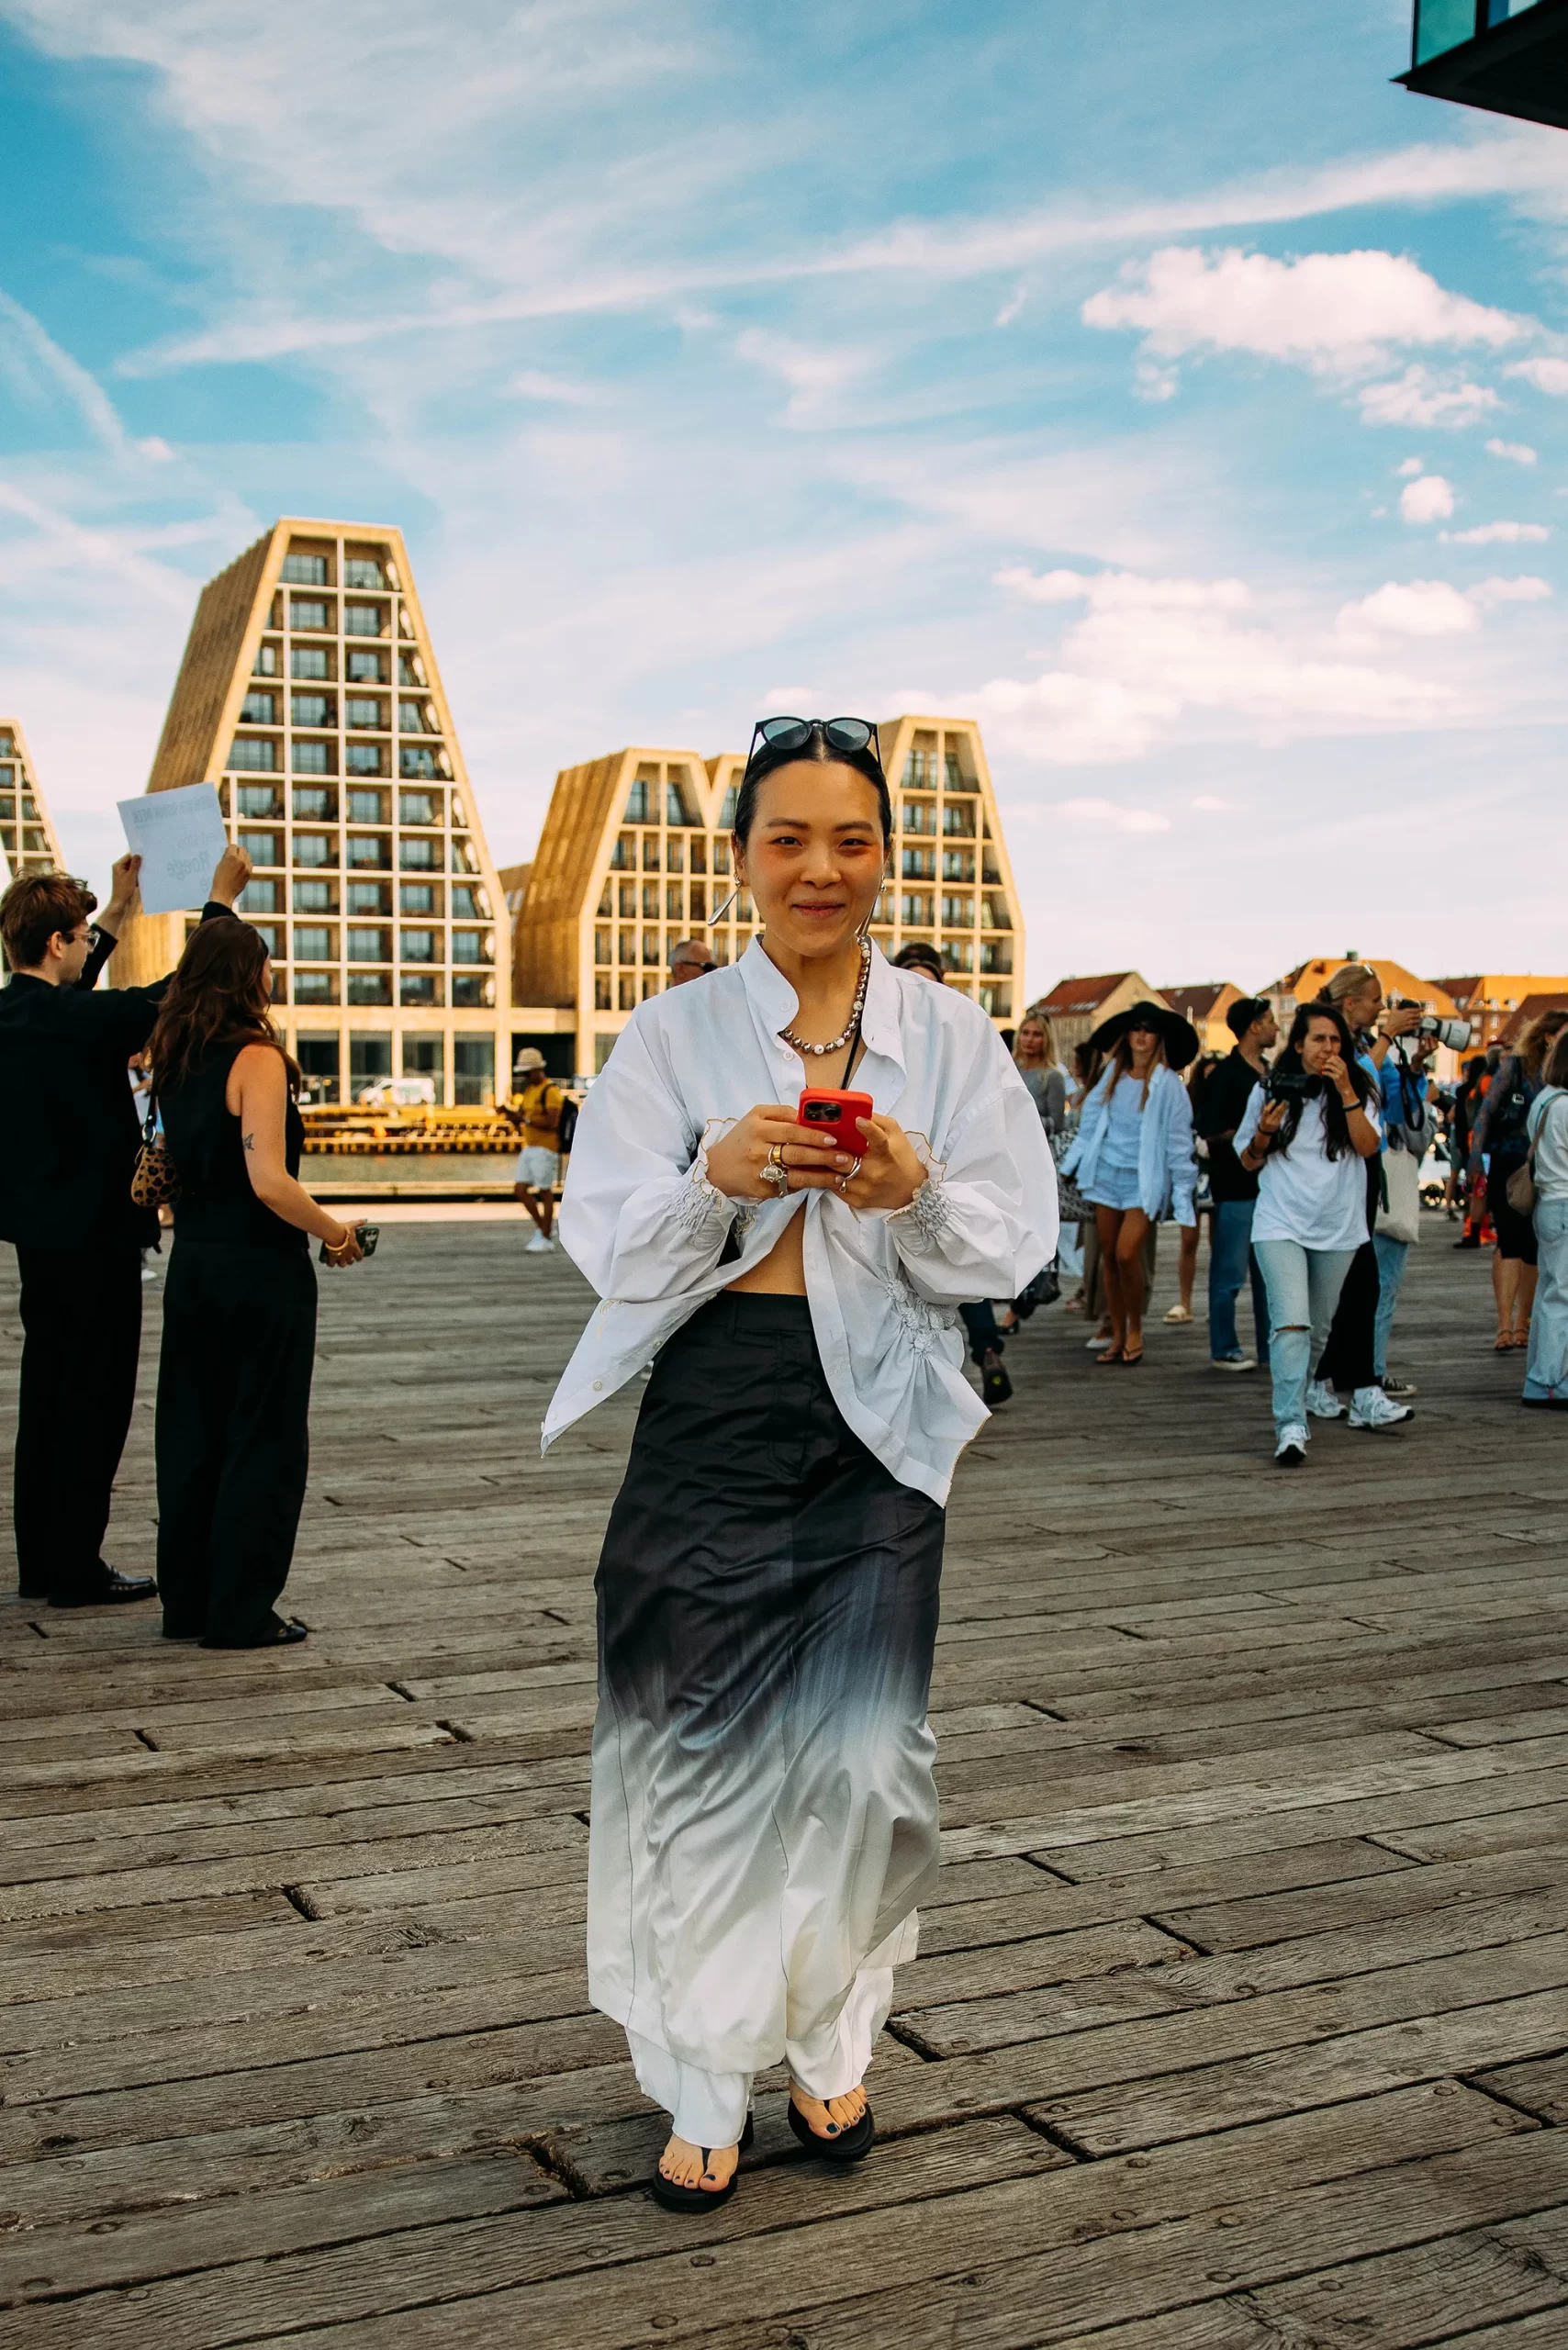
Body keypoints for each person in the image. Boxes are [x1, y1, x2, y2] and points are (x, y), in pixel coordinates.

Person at [546, 713, 1053, 2211]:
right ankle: (701, 2077)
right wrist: (715, 1177)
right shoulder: (675, 1033)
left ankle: (834, 2046)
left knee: (853, 1752)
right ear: (743, 858)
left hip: (876, 1424)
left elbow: (1012, 1242)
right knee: (693, 1747)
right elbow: (602, 1238)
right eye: (787, 837)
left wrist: (910, 1186)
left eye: (848, 838)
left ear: (886, 858)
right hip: (711, 1407)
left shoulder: (949, 1040)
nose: (817, 867)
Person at [0, 845, 249, 1607]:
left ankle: (42, 1562)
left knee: (47, 1396)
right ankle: (75, 1568)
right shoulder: (77, 1022)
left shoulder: (16, 1012)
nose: (85, 951)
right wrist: (217, 902)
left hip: (38, 1240)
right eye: (78, 939)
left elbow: (78, 1000)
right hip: (98, 1240)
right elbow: (180, 993)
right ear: (54, 944)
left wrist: (112, 912)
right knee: (97, 1403)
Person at [148, 915, 365, 1649]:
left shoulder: (173, 1054)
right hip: (258, 1270)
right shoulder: (256, 1059)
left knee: (193, 1431)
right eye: (266, 967)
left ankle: (189, 1603)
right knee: (262, 1435)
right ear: (249, 976)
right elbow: (269, 1181)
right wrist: (336, 1233)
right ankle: (240, 1611)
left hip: (194, 1264)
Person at [1235, 1002, 1383, 1465]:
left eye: (1336, 1040)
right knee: (1292, 1322)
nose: (1328, 1048)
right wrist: (1264, 1132)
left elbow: (1368, 1145)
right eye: (1319, 1039)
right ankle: (1290, 1424)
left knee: (1316, 1329)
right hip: (1280, 1221)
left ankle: (1305, 1395)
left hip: (1338, 1227)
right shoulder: (1269, 1089)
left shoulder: (1360, 1088)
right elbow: (1247, 1159)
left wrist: (1345, 1089)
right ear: (1298, 1044)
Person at [1306, 967, 1417, 1430]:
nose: (1380, 1010)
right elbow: (1352, 1083)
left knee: (1353, 1287)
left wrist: (1410, 1063)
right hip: (1342, 1175)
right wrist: (1386, 1039)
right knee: (1360, 1284)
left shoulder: (1358, 1044)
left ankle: (1322, 1380)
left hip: (1363, 1170)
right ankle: (1362, 1389)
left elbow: (1387, 1106)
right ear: (1350, 1003)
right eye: (1373, 1001)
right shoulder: (1334, 1044)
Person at [1059, 1000, 1198, 1367]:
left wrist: (1184, 1199)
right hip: (1105, 1175)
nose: (1141, 1034)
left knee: (1126, 1254)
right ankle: (1117, 1333)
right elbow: (1089, 1126)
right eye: (1135, 1027)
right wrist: (1069, 1166)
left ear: (1159, 1037)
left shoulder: (1169, 1085)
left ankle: (1136, 1328)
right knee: (1108, 1258)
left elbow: (1180, 1145)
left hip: (1142, 1182)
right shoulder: (1111, 1076)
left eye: (1149, 1029)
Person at [1470, 1008, 1568, 1352]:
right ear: (1548, 1036)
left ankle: (1523, 1324)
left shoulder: (1559, 1077)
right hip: (1510, 1165)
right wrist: (1475, 1162)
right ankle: (1503, 1325)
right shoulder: (1515, 1067)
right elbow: (1486, 1113)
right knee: (1509, 1241)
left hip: (1545, 1169)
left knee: (1533, 1247)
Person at [1195, 996, 1276, 1371]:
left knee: (1268, 1277)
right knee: (1229, 1272)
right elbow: (1209, 1132)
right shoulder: (1227, 1075)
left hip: (1270, 1190)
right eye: (1271, 1020)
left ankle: (1269, 1348)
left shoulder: (1269, 1071)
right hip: (1235, 1187)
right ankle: (1224, 1346)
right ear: (1254, 1026)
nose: (1276, 1028)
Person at [1372, 1027, 1440, 1397]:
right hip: (1388, 1196)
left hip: (1357, 1194)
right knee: (1384, 1287)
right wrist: (1424, 1098)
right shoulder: (1393, 1079)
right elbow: (1417, 1137)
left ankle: (1343, 1371)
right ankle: (1374, 1371)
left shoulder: (1369, 1067)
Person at [1522, 1026, 1568, 1408]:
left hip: (1548, 1202)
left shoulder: (1544, 1100)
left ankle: (1541, 1372)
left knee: (1548, 1291)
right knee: (1562, 1296)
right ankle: (1549, 1380)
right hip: (1566, 1203)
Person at [504, 1046, 564, 1252]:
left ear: (539, 1070)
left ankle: (545, 1236)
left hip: (546, 1148)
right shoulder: (530, 1091)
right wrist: (510, 1115)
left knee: (545, 1192)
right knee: (520, 1190)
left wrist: (526, 1119)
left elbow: (552, 1122)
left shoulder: (551, 1092)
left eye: (528, 1073)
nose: (525, 1077)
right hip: (530, 1146)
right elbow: (522, 1119)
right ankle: (543, 1228)